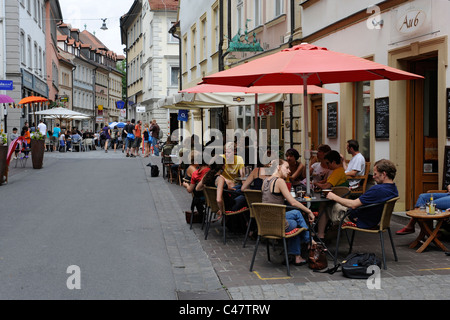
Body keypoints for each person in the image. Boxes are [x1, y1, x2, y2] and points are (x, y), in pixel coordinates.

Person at [319, 159, 398, 236]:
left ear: (384, 174)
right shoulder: (393, 189)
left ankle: (320, 236)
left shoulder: (377, 189)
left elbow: (353, 204)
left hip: (359, 220)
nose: (373, 177)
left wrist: (333, 197)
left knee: (325, 205)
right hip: (373, 220)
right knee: (339, 204)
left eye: (375, 174)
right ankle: (331, 232)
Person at [261, 159, 315, 266]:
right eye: (286, 167)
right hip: (277, 224)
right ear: (278, 167)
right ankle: (309, 243)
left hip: (265, 223)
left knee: (296, 214)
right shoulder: (279, 181)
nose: (289, 171)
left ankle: (302, 250)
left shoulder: (265, 181)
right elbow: (293, 202)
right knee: (295, 224)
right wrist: (309, 211)